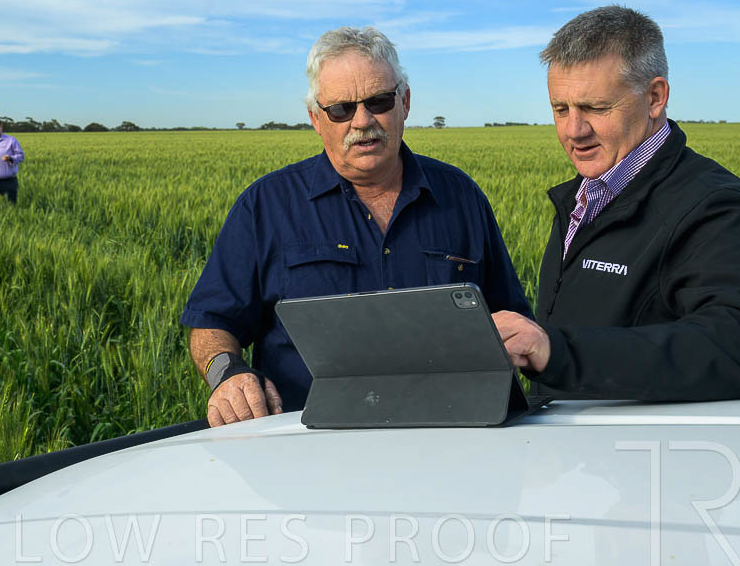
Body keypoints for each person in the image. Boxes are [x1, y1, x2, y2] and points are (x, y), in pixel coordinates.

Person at [181, 26, 532, 426]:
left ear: (405, 102)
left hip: (450, 433)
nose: (362, 121)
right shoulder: (266, 205)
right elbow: (212, 321)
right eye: (341, 110)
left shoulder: (461, 197)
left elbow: (509, 316)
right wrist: (227, 374)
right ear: (316, 118)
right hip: (307, 440)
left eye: (379, 101)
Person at [492, 5, 740, 400]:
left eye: (596, 108)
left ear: (654, 97)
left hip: (647, 440)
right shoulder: (581, 198)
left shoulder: (715, 206)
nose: (573, 131)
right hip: (567, 438)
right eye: (560, 109)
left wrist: (558, 351)